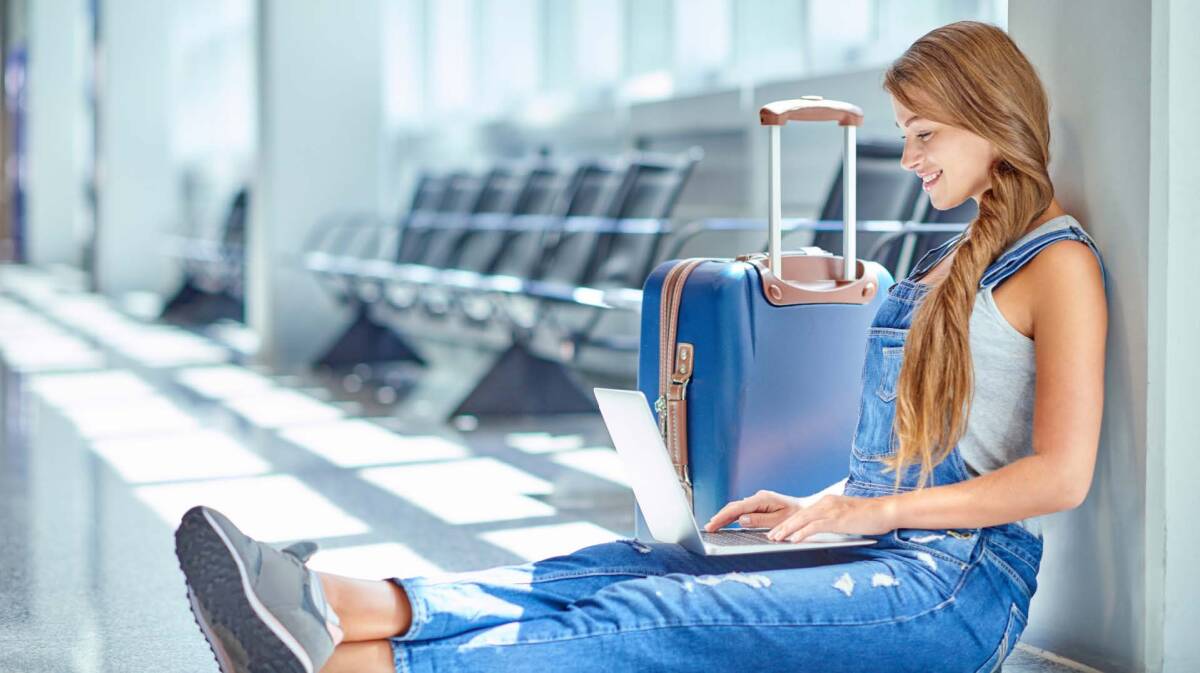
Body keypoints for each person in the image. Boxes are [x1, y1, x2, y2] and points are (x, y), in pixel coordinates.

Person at [173, 20, 1108, 673]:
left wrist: (868, 514)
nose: (909, 157)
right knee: (613, 568)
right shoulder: (948, 260)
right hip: (876, 547)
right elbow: (902, 455)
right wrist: (826, 501)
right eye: (904, 134)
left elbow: (1058, 478)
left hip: (951, 594)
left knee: (654, 617)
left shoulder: (1057, 264)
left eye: (924, 134)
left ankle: (323, 652)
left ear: (994, 121)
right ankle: (322, 603)